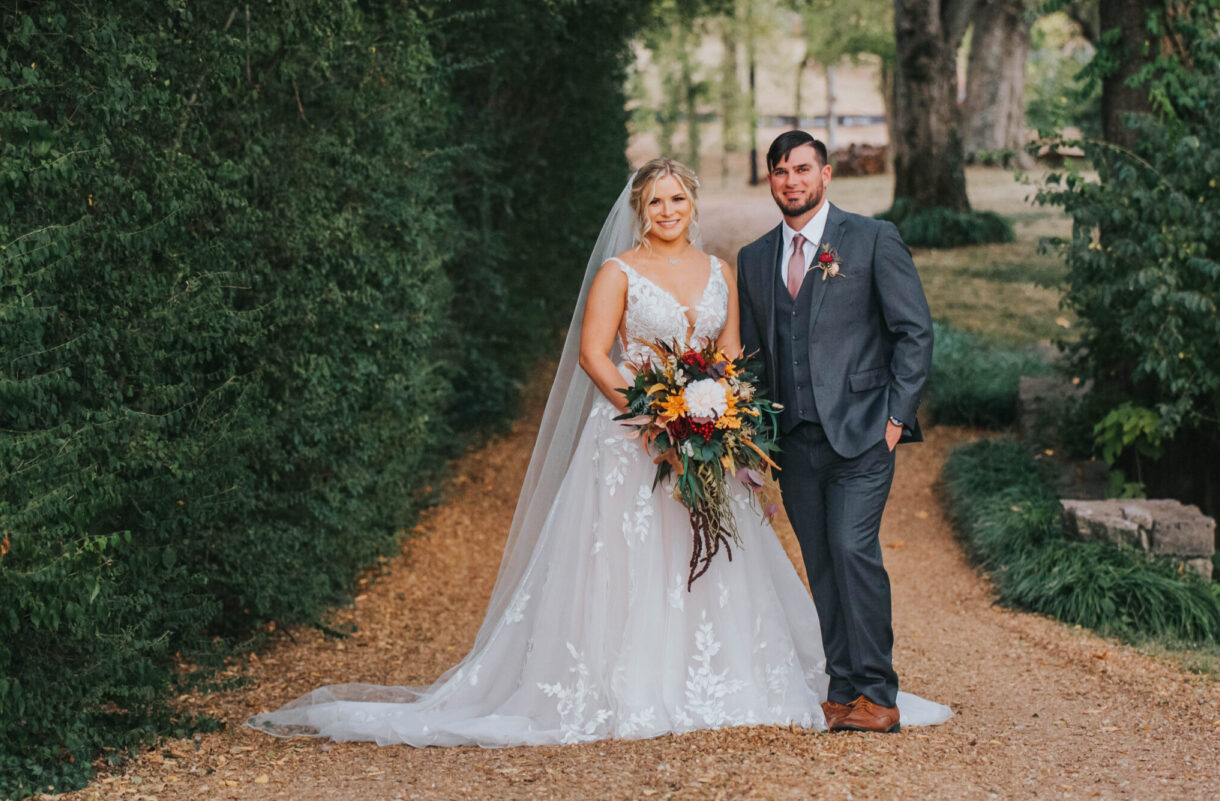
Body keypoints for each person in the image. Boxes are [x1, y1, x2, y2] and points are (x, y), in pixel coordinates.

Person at [247, 157, 949, 746]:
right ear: (639, 208)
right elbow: (594, 354)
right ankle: (628, 681)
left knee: (712, 558)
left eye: (677, 198)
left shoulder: (720, 270)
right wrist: (656, 415)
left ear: (691, 204)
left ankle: (771, 679)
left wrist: (720, 416)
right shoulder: (620, 269)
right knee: (629, 560)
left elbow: (732, 353)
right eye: (655, 200)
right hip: (632, 439)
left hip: (704, 434)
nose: (667, 209)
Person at [736, 131, 934, 734]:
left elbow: (913, 332)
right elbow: (753, 357)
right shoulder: (753, 258)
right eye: (779, 171)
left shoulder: (873, 239)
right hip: (794, 441)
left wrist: (896, 418)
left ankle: (879, 692)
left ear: (825, 175)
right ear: (770, 180)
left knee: (853, 551)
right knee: (821, 562)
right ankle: (842, 688)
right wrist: (753, 439)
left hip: (864, 434)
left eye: (802, 169)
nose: (790, 180)